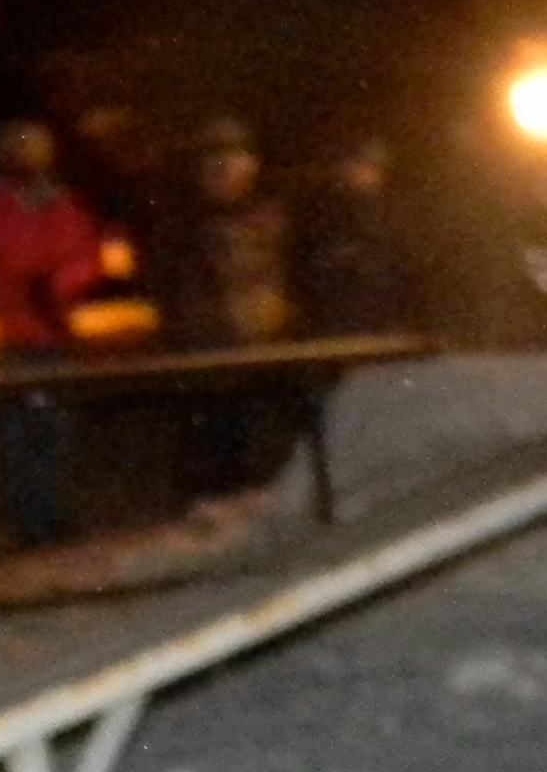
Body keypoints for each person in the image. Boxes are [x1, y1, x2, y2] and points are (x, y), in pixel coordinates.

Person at [0, 122, 104, 545]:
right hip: (17, 338)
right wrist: (42, 274)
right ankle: (28, 518)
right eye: (22, 150)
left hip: (57, 334)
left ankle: (55, 511)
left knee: (57, 432)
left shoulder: (64, 205)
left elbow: (86, 258)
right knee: (22, 433)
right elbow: (2, 268)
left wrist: (60, 284)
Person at [152, 118, 293, 496]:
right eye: (216, 162)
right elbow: (170, 284)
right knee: (209, 437)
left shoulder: (267, 215)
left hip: (260, 345)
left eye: (236, 158)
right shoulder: (185, 224)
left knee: (255, 436)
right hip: (207, 350)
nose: (226, 170)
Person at [295, 136, 422, 338]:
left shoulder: (394, 216)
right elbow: (306, 267)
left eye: (366, 165)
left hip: (385, 323)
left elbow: (406, 270)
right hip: (333, 323)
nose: (356, 172)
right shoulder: (319, 216)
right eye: (351, 164)